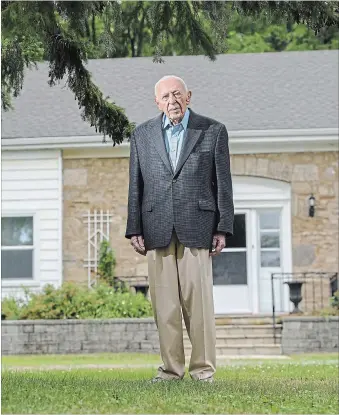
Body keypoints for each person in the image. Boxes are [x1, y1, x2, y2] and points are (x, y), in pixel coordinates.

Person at [125, 75, 234, 383]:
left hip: (197, 227)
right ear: (157, 103)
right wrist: (134, 227)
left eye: (176, 94)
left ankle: (202, 372)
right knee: (165, 307)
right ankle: (171, 371)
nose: (171, 101)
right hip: (155, 227)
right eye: (164, 97)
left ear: (189, 96)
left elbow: (223, 185)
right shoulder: (142, 135)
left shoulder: (212, 131)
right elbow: (136, 185)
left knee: (198, 307)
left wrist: (223, 227)